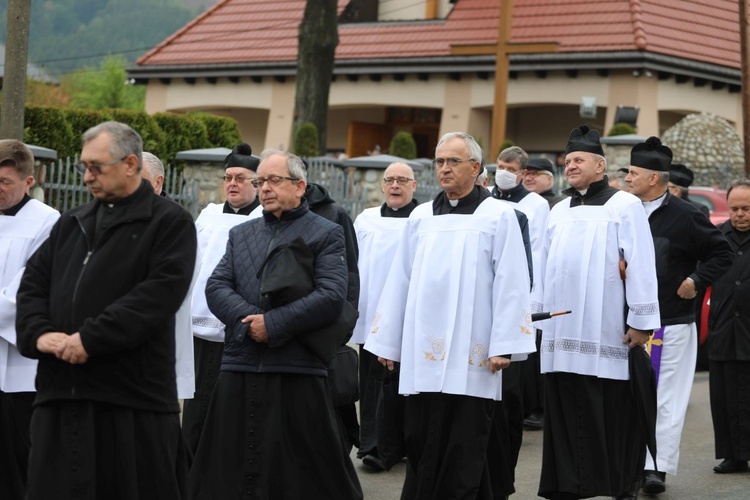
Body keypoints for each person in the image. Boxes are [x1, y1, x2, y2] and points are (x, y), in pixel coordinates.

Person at [16, 121, 197, 499]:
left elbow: (157, 296)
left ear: (130, 164)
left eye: (96, 166)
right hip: (61, 393)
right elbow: (33, 284)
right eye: (84, 166)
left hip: (129, 398)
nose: (86, 177)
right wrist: (39, 333)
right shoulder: (72, 222)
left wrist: (91, 339)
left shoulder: (169, 222)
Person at [365, 132, 536, 498]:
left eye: (453, 161)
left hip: (474, 349)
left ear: (475, 168)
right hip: (422, 347)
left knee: (466, 436)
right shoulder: (421, 217)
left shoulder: (499, 216)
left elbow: (512, 283)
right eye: (439, 161)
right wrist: (387, 342)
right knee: (421, 434)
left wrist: (504, 345)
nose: (444, 168)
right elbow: (400, 280)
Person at [188, 149, 362, 499]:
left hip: (296, 367)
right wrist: (246, 324)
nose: (264, 188)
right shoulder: (242, 234)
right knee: (228, 469)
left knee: (301, 473)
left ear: (300, 186)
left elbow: (331, 295)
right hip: (240, 363)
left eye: (273, 180)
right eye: (260, 181)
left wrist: (273, 324)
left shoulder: (326, 232)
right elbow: (216, 285)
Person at [537, 125, 661, 500]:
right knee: (562, 405)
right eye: (568, 160)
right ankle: (568, 484)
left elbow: (640, 263)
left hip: (604, 330)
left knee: (603, 406)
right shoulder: (557, 209)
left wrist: (641, 322)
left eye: (579, 160)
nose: (570, 165)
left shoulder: (624, 205)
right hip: (560, 333)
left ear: (600, 164)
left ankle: (611, 485)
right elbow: (542, 265)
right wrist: (535, 315)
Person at [624, 137, 732, 495]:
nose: (626, 178)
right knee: (625, 396)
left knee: (665, 398)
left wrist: (696, 279)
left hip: (669, 324)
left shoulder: (687, 217)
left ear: (654, 178)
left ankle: (655, 467)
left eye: (633, 172)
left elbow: (724, 253)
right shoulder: (620, 211)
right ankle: (625, 462)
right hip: (623, 324)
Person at [182, 142, 260, 454]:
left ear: (256, 181)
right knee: (196, 398)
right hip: (200, 324)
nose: (232, 183)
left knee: (231, 402)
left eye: (240, 178)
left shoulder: (265, 219)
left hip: (238, 327)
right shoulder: (209, 215)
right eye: (227, 177)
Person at [0, 140, 60, 500]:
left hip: (18, 367)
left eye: (6, 182)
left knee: (18, 457)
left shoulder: (47, 221)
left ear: (28, 180)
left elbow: (30, 290)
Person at [491, 145, 550, 493]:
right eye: (499, 165)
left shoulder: (536, 205)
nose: (504, 171)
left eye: (510, 167)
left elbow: (536, 254)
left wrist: (530, 302)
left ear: (524, 173)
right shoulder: (488, 199)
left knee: (513, 387)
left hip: (522, 299)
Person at [354, 162, 418, 471]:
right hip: (370, 314)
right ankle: (371, 444)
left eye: (402, 180)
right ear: (382, 186)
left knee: (401, 383)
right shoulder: (366, 219)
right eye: (389, 180)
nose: (395, 185)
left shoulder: (424, 219)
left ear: (414, 186)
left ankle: (399, 444)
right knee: (370, 382)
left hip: (408, 313)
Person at [708, 179, 750, 474]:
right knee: (724, 399)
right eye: (734, 208)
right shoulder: (716, 238)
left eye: (746, 208)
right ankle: (733, 455)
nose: (739, 214)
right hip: (723, 328)